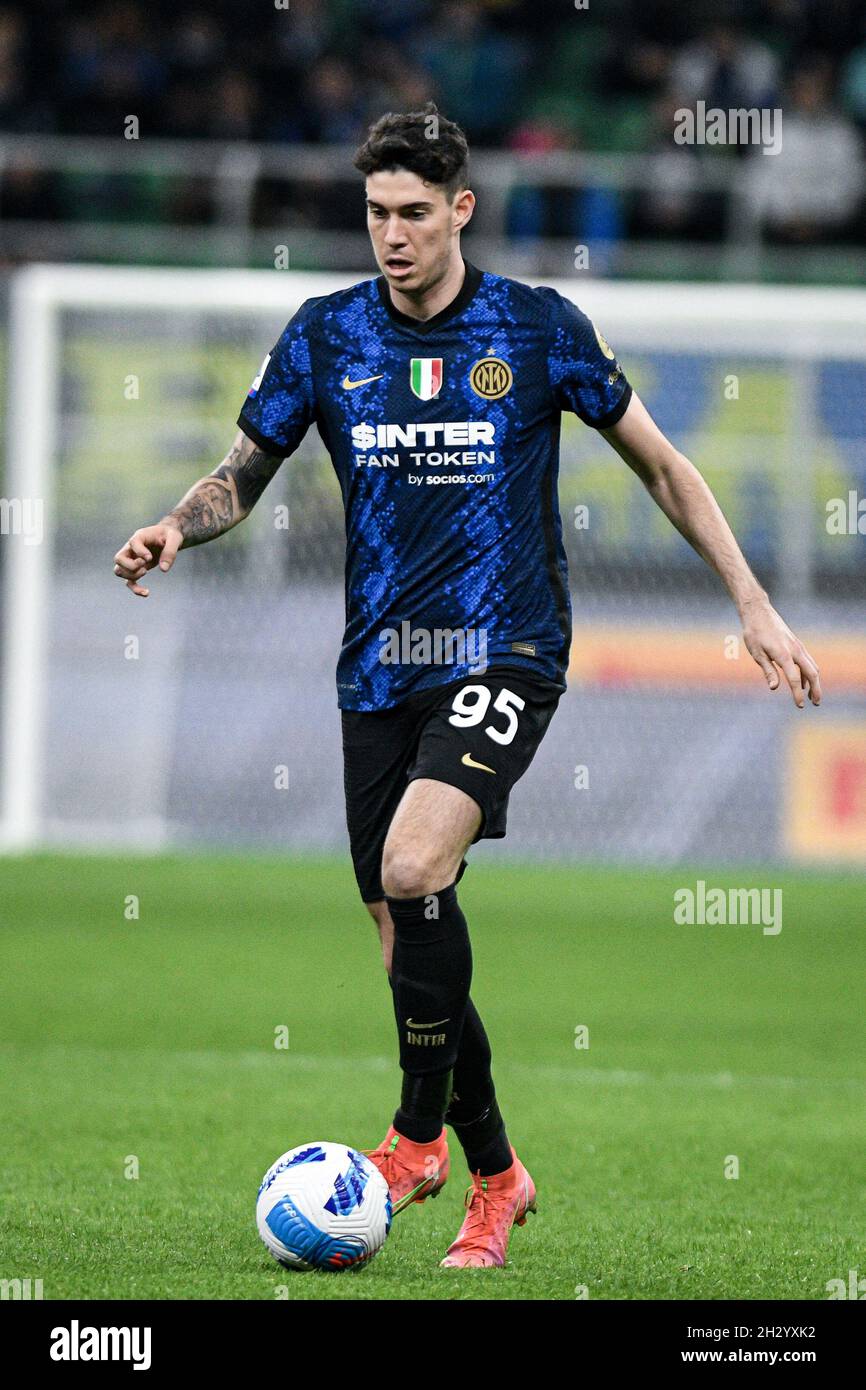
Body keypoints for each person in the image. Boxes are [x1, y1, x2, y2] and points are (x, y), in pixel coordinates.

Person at [113, 104, 821, 1270]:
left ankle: (411, 1136)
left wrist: (751, 602)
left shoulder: (534, 329)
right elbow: (242, 473)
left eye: (410, 214)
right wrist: (176, 527)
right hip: (376, 666)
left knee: (411, 864)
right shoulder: (323, 334)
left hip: (505, 650)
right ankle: (494, 1174)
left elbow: (661, 463)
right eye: (374, 213)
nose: (390, 236)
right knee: (406, 939)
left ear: (459, 210)